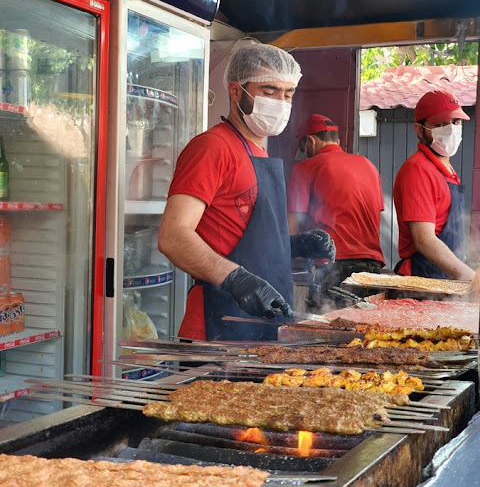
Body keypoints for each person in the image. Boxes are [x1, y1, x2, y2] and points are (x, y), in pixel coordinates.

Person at [157, 43, 336, 341]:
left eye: (287, 94)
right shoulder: (212, 147)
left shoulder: (259, 152)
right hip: (218, 324)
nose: (280, 102)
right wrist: (235, 279)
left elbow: (236, 234)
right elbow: (173, 236)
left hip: (263, 326)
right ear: (236, 91)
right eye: (268, 91)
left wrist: (292, 245)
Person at [287, 114, 385, 305]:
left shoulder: (305, 167)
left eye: (302, 148)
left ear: (310, 142)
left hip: (334, 267)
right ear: (337, 141)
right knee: (367, 333)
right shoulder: (369, 165)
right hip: (373, 270)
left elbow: (289, 230)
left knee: (321, 331)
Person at [393, 90, 475, 280]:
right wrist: (471, 278)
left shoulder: (447, 171)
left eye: (456, 122)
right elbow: (424, 240)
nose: (451, 129)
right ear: (419, 129)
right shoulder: (418, 170)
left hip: (445, 281)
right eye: (440, 124)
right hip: (422, 282)